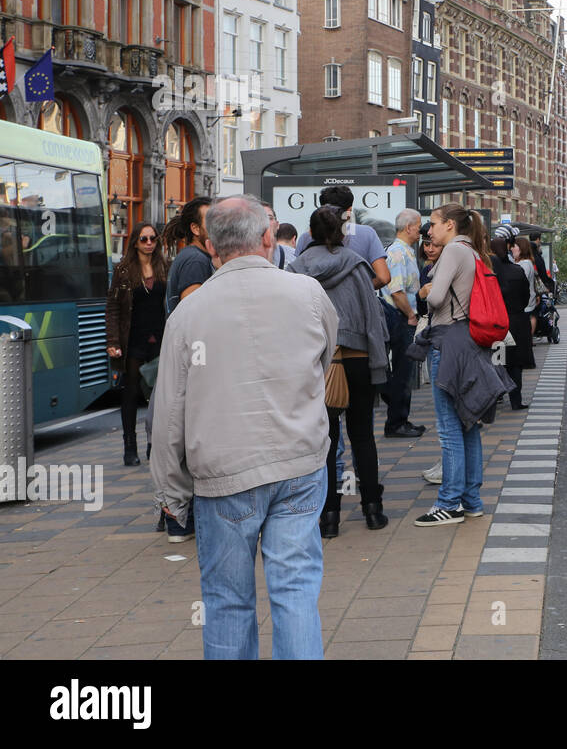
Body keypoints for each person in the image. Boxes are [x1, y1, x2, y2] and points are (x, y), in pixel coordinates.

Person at [151, 195, 339, 660]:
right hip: (299, 462)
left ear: (211, 246)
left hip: (223, 473)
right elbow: (325, 356)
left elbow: (168, 411)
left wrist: (171, 491)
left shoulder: (188, 315)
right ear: (268, 238)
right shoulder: (308, 294)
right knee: (295, 593)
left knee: (227, 602)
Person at [289, 206, 391, 539]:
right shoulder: (356, 266)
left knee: (326, 441)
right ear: (342, 232)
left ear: (310, 233)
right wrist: (379, 364)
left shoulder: (297, 269)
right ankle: (373, 511)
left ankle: (329, 517)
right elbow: (371, 319)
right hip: (358, 358)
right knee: (363, 435)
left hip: (319, 362)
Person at [414, 203, 512, 526]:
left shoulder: (453, 252)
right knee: (468, 423)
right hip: (468, 341)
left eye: (434, 223)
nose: (430, 230)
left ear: (450, 226)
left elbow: (438, 298)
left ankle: (449, 502)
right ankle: (471, 500)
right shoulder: (473, 251)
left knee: (448, 427)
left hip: (448, 342)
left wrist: (426, 289)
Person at [155, 196, 215, 541]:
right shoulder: (194, 261)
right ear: (195, 229)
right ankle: (180, 516)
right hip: (194, 359)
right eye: (212, 219)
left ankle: (177, 513)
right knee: (186, 437)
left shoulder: (194, 258)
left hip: (191, 358)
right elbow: (195, 312)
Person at [105, 222, 169, 466]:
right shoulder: (123, 270)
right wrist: (112, 340)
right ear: (135, 242)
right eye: (144, 239)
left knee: (159, 394)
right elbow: (112, 307)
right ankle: (129, 447)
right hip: (132, 338)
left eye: (153, 238)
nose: (149, 243)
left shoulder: (164, 266)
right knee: (131, 392)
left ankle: (155, 443)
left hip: (160, 338)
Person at [379, 208, 426, 438]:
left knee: (403, 371)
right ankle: (397, 422)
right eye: (418, 227)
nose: (421, 232)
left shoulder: (403, 251)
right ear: (408, 228)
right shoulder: (398, 253)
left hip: (399, 315)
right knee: (403, 371)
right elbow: (396, 291)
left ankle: (399, 418)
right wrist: (410, 314)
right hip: (398, 316)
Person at [294, 185, 391, 289]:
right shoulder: (367, 233)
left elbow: (297, 277)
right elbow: (383, 277)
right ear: (349, 212)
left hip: (316, 301)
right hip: (354, 303)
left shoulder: (307, 236)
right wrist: (357, 291)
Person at [490, 231, 534, 410]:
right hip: (517, 321)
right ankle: (516, 400)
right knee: (516, 363)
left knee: (498, 360)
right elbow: (526, 297)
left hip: (497, 323)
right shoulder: (517, 270)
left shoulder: (489, 274)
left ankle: (495, 397)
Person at [417, 231, 446, 488]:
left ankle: (449, 469)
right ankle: (445, 463)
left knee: (447, 414)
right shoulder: (428, 269)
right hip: (436, 338)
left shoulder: (445, 268)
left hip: (445, 342)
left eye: (434, 244)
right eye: (426, 244)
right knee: (443, 414)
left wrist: (425, 293)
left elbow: (433, 300)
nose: (429, 248)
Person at [513, 236, 541, 336]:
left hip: (525, 301)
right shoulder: (526, 262)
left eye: (514, 246)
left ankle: (528, 338)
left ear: (521, 248)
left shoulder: (524, 264)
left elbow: (520, 282)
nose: (511, 248)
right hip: (528, 299)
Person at [262, 202, 294, 270]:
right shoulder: (241, 255)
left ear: (277, 225)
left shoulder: (293, 255)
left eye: (269, 218)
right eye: (259, 218)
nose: (265, 222)